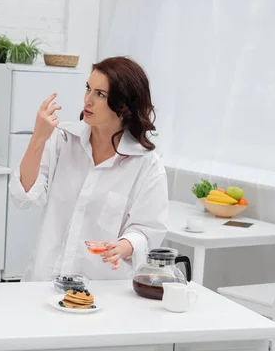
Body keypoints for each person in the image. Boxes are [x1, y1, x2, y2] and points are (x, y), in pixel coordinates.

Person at [9, 56, 168, 281]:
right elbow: (22, 196)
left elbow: (148, 229)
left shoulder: (146, 164)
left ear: (123, 107)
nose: (88, 100)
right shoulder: (62, 140)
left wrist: (123, 246)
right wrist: (38, 138)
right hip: (43, 283)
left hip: (102, 292)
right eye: (88, 88)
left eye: (100, 94)